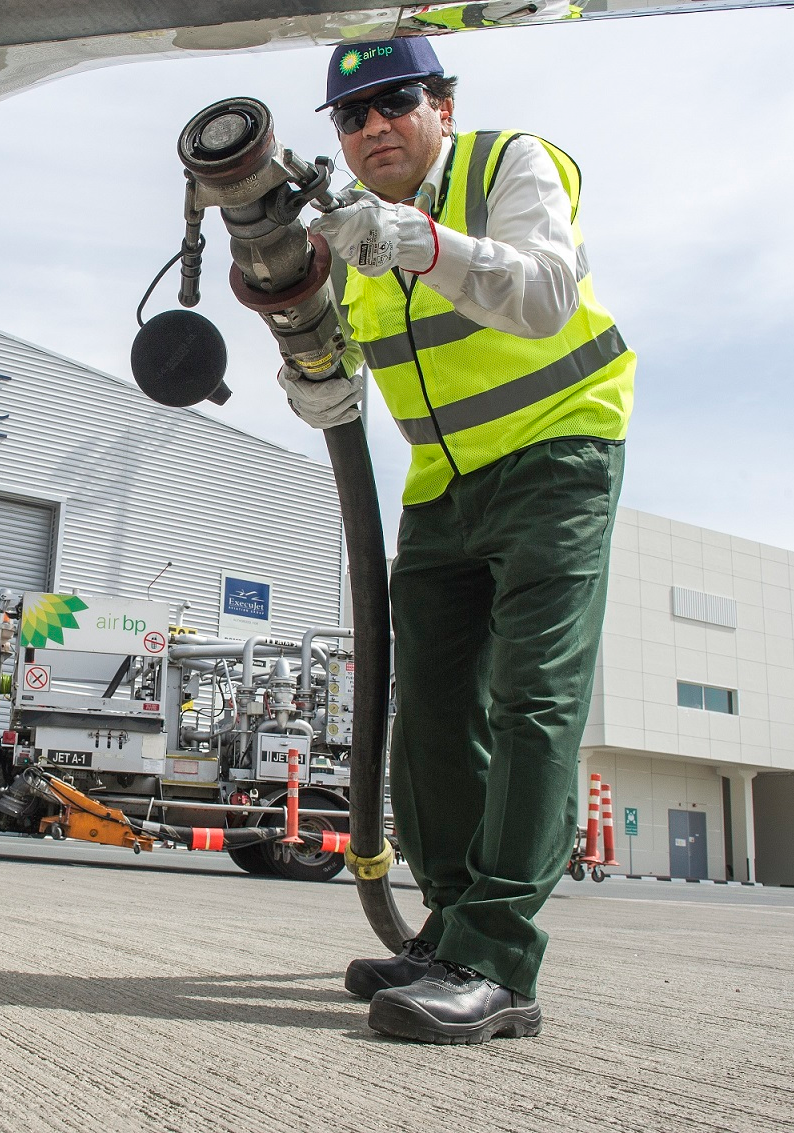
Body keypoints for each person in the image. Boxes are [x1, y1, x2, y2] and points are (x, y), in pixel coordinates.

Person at [281, 36, 634, 1044]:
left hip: (559, 455)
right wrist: (308, 373)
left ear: (440, 102)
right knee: (428, 708)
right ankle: (447, 925)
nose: (370, 128)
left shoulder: (503, 165)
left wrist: (412, 240)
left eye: (392, 102)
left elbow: (542, 293)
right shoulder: (353, 243)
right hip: (443, 483)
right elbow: (339, 382)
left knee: (531, 699)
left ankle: (498, 962)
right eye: (350, 117)